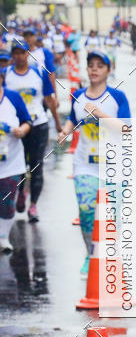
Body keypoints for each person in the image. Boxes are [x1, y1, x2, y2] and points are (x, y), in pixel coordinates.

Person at [57, 49, 131, 276]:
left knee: (113, 216)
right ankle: (91, 253)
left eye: (100, 65)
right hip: (84, 165)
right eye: (91, 65)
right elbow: (72, 118)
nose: (95, 69)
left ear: (108, 70)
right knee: (87, 210)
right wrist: (65, 132)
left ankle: (111, 255)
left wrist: (100, 114)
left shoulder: (117, 97)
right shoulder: (78, 95)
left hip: (114, 166)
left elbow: (127, 128)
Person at [4, 39, 61, 222]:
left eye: (23, 52)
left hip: (38, 126)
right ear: (12, 55)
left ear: (28, 54)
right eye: (16, 53)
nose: (20, 56)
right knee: (19, 165)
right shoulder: (5, 75)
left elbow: (49, 99)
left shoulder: (38, 73)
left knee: (36, 165)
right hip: (17, 129)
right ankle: (21, 192)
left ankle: (33, 205)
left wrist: (58, 124)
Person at [0, 83, 31, 252]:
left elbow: (27, 121)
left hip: (11, 163)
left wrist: (22, 130)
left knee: (7, 203)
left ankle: (3, 237)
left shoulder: (12, 97)